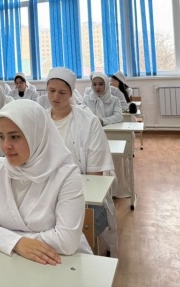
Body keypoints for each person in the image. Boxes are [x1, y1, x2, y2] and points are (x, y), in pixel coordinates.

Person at [0, 100, 92, 263]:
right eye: (1, 136)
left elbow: (66, 241)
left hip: (60, 263)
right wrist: (18, 243)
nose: (6, 146)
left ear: (36, 135)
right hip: (6, 262)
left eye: (15, 137)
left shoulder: (66, 175)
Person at [44, 67, 118, 256]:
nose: (55, 97)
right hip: (44, 193)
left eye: (62, 92)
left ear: (71, 93)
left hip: (84, 198)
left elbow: (94, 177)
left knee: (68, 235)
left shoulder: (88, 122)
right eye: (51, 91)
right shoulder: (39, 120)